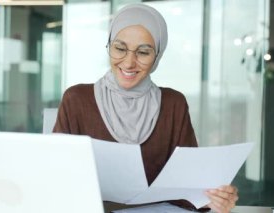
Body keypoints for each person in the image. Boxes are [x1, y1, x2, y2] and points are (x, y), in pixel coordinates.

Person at [53, 3, 238, 213]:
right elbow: (57, 178)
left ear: (157, 56)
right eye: (120, 48)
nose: (129, 62)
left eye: (143, 52)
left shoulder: (173, 104)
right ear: (109, 46)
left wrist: (213, 198)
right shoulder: (77, 99)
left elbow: (187, 190)